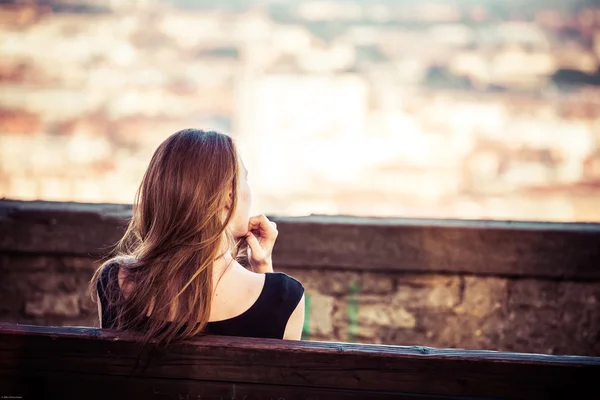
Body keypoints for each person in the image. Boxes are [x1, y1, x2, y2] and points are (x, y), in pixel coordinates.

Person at [89, 129, 305, 346]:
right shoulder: (285, 296)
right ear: (228, 196)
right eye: (245, 179)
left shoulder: (114, 281)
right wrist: (265, 274)